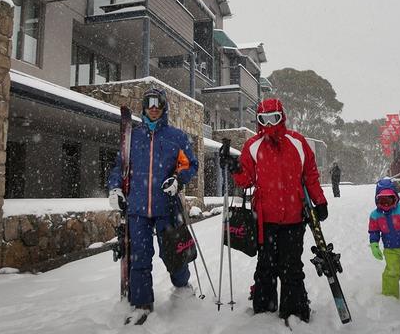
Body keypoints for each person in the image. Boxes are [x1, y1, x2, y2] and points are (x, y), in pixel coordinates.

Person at [223, 98, 328, 323]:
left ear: (282, 117)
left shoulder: (297, 142)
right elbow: (245, 180)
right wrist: (235, 167)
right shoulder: (253, 145)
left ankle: (294, 310)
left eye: (274, 118)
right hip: (265, 220)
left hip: (294, 218)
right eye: (264, 119)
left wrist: (319, 201)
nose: (270, 124)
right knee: (266, 265)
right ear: (259, 120)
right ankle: (264, 308)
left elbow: (310, 174)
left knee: (291, 266)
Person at [108, 88, 198, 324]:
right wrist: (115, 188)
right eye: (149, 102)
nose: (154, 106)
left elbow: (190, 164)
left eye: (158, 103)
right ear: (144, 106)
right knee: (139, 257)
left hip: (166, 206)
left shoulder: (176, 136)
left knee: (174, 253)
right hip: (137, 208)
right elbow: (120, 167)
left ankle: (182, 288)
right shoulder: (132, 137)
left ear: (164, 106)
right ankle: (141, 304)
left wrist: (178, 180)